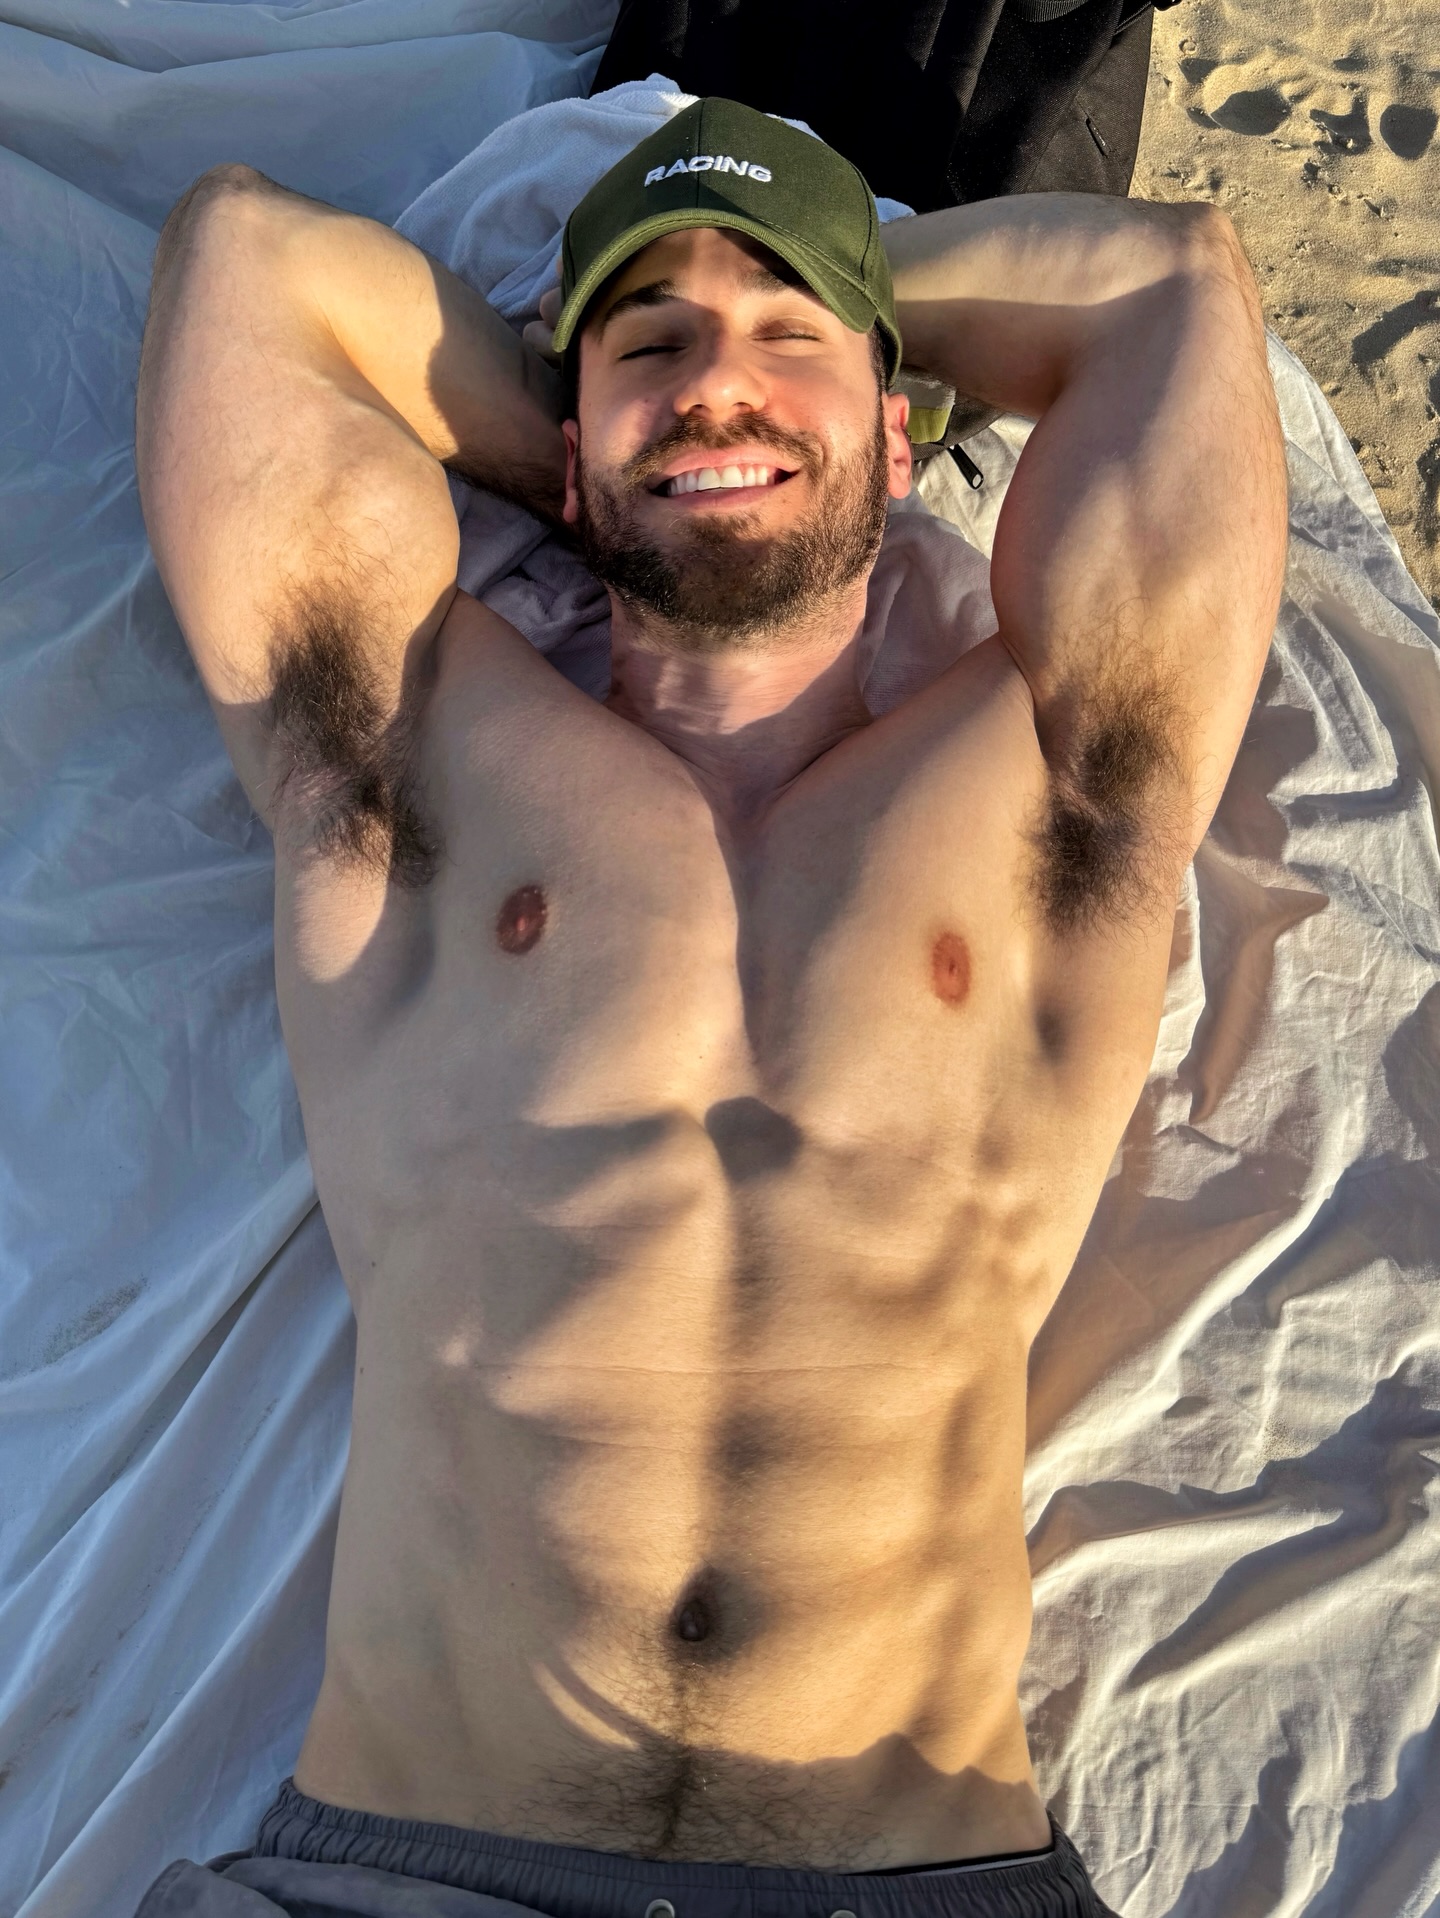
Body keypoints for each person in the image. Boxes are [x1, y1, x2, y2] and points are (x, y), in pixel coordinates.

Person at [132, 88, 1285, 1918]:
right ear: (564, 445)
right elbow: (246, 263)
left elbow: (1173, 289)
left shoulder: (1059, 771)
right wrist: (621, 428)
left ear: (902, 431)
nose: (718, 382)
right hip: (405, 1878)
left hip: (919, 1878)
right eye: (650, 346)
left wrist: (781, 337)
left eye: (785, 339)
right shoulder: (412, 749)